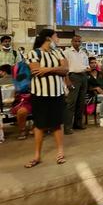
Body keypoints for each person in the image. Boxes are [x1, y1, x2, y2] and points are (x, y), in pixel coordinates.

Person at [24, 29, 68, 168]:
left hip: (57, 93)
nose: (58, 39)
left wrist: (48, 69)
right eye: (56, 36)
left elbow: (66, 69)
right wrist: (57, 69)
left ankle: (60, 152)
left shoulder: (58, 52)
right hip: (40, 94)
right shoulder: (33, 53)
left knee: (57, 123)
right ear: (48, 38)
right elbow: (37, 71)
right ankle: (37, 155)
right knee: (39, 125)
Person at [63, 35, 89, 135]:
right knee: (71, 103)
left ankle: (78, 123)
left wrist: (87, 69)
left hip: (83, 76)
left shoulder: (83, 53)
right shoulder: (67, 52)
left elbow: (86, 65)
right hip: (73, 77)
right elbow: (65, 68)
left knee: (81, 102)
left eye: (79, 41)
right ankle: (67, 127)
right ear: (72, 42)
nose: (78, 43)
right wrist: (67, 80)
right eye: (76, 41)